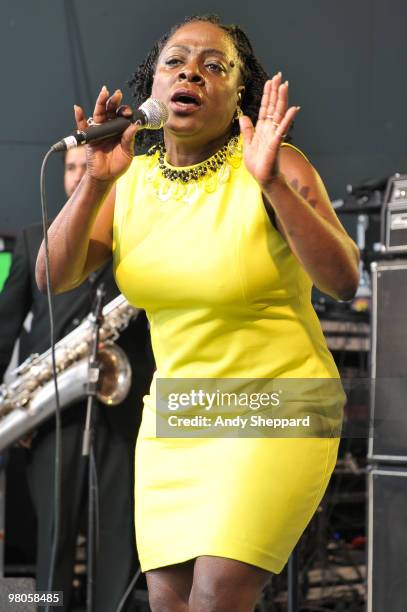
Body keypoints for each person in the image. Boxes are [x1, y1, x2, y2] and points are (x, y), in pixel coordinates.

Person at [36, 14, 359, 612]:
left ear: (240, 93)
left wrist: (273, 186)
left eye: (216, 66)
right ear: (152, 89)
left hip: (278, 399)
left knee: (217, 595)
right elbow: (52, 276)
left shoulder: (277, 164)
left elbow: (343, 280)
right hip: (179, 410)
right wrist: (94, 184)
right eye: (176, 62)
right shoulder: (126, 182)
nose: (192, 72)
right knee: (172, 602)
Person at [0, 146, 154, 611]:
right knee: (52, 539)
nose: (79, 173)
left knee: (117, 540)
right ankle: (45, 607)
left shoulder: (135, 242)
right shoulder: (32, 240)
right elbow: (5, 327)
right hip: (49, 414)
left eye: (87, 164)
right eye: (71, 167)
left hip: (122, 413)